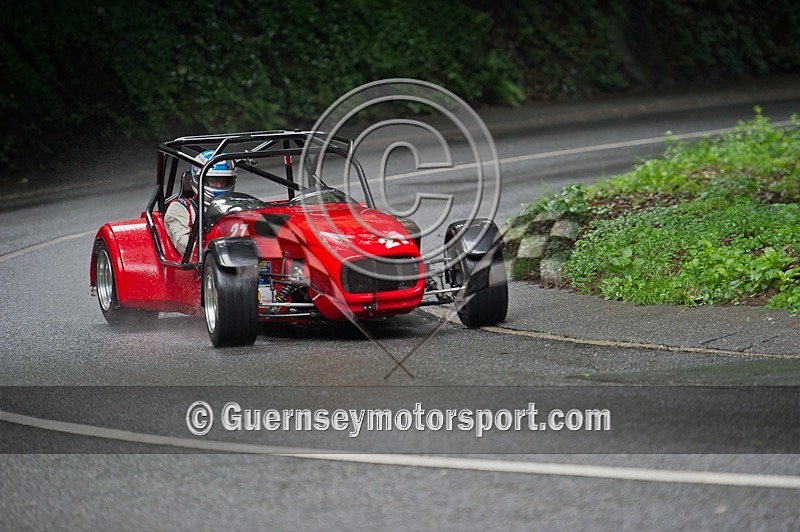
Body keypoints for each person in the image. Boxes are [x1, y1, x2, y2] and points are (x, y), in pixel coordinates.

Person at [165, 150, 237, 255]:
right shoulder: (180, 209)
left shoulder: (236, 206)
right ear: (197, 179)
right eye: (213, 180)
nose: (218, 186)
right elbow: (185, 247)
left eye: (223, 181)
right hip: (202, 265)